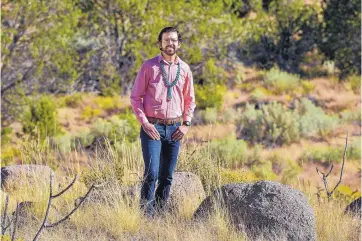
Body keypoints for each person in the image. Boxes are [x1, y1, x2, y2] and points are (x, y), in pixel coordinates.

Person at [130, 26, 196, 215]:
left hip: (175, 128)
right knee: (151, 174)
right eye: (166, 40)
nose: (170, 43)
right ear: (160, 43)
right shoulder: (148, 67)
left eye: (174, 40)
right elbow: (135, 97)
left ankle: (159, 214)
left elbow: (190, 99)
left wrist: (186, 124)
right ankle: (145, 216)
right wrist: (145, 123)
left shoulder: (184, 69)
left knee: (167, 176)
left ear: (179, 44)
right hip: (153, 128)